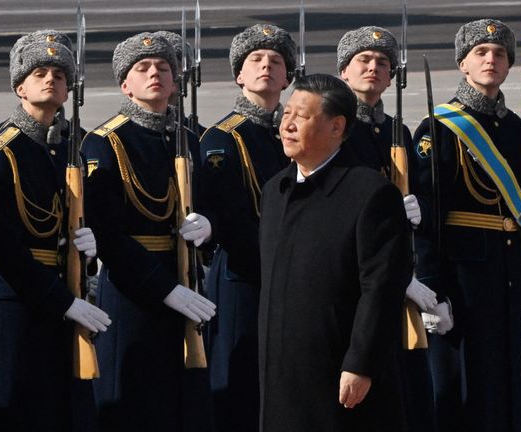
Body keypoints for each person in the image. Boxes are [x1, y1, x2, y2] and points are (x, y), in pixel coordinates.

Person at [259, 73, 413, 432]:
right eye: (287, 115)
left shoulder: (369, 193)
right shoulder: (276, 189)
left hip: (339, 372)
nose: (289, 125)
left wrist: (361, 362)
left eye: (303, 116)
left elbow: (382, 288)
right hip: (281, 373)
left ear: (336, 126)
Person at [0, 32, 110, 431]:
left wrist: (91, 245)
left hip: (67, 292)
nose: (50, 79)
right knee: (14, 409)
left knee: (62, 411)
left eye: (59, 74)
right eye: (39, 73)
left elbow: (93, 213)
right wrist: (62, 300)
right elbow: (4, 245)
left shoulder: (77, 146)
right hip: (16, 301)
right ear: (20, 87)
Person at [81, 32, 216, 432]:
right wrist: (163, 288)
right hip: (133, 292)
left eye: (163, 68)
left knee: (185, 402)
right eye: (142, 69)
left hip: (187, 279)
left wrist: (210, 225)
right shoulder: (105, 143)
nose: (154, 74)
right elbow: (107, 235)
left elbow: (211, 202)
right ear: (126, 84)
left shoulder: (189, 138)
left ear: (176, 82)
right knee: (136, 403)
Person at [410, 19, 521, 432]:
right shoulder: (439, 128)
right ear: (463, 63)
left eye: (499, 54)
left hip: (507, 271)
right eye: (481, 53)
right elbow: (425, 216)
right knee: (462, 387)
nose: (491, 60)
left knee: (505, 381)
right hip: (459, 277)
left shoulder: (517, 129)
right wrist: (431, 286)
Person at [337, 25, 437, 432]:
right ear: (344, 71)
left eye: (383, 63)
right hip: (353, 274)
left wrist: (418, 208)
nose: (374, 68)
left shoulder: (397, 130)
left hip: (394, 270)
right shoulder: (333, 126)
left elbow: (424, 194)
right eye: (364, 60)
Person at [197, 23, 295, 432]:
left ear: (289, 76)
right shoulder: (222, 137)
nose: (267, 67)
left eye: (276, 61)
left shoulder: (297, 131)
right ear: (239, 74)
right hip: (244, 275)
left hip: (293, 275)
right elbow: (233, 217)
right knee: (238, 382)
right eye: (256, 60)